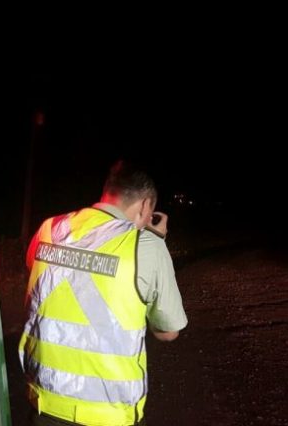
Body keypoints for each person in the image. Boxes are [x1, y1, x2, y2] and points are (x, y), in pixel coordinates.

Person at [19, 160, 188, 426]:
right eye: (148, 212)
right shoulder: (146, 245)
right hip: (109, 415)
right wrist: (155, 240)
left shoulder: (49, 228)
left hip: (44, 406)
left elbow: (45, 274)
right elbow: (167, 331)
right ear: (145, 206)